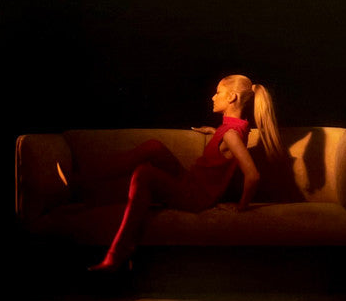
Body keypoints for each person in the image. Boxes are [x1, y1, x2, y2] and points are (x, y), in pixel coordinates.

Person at [88, 74, 284, 273]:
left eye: (218, 93)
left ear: (232, 97)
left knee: (144, 173)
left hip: (195, 197)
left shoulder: (231, 134)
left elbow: (253, 175)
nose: (213, 97)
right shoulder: (232, 129)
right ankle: (89, 179)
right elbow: (230, 140)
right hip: (191, 183)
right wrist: (215, 132)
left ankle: (117, 254)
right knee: (154, 147)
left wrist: (241, 207)